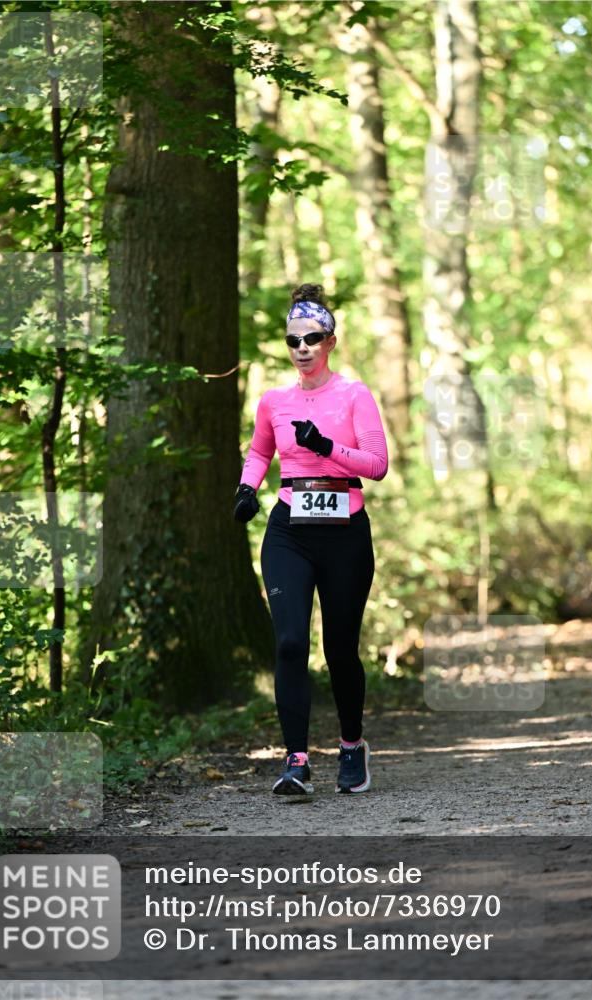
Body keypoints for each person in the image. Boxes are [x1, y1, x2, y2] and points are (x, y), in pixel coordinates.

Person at [234, 283, 388, 798]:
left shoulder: (354, 395)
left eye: (312, 338)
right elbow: (259, 454)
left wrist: (325, 446)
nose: (302, 348)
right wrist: (246, 490)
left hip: (345, 531)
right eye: (293, 340)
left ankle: (350, 747)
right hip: (289, 532)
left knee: (340, 650)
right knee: (291, 643)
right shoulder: (273, 401)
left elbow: (378, 465)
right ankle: (296, 761)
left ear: (331, 342)